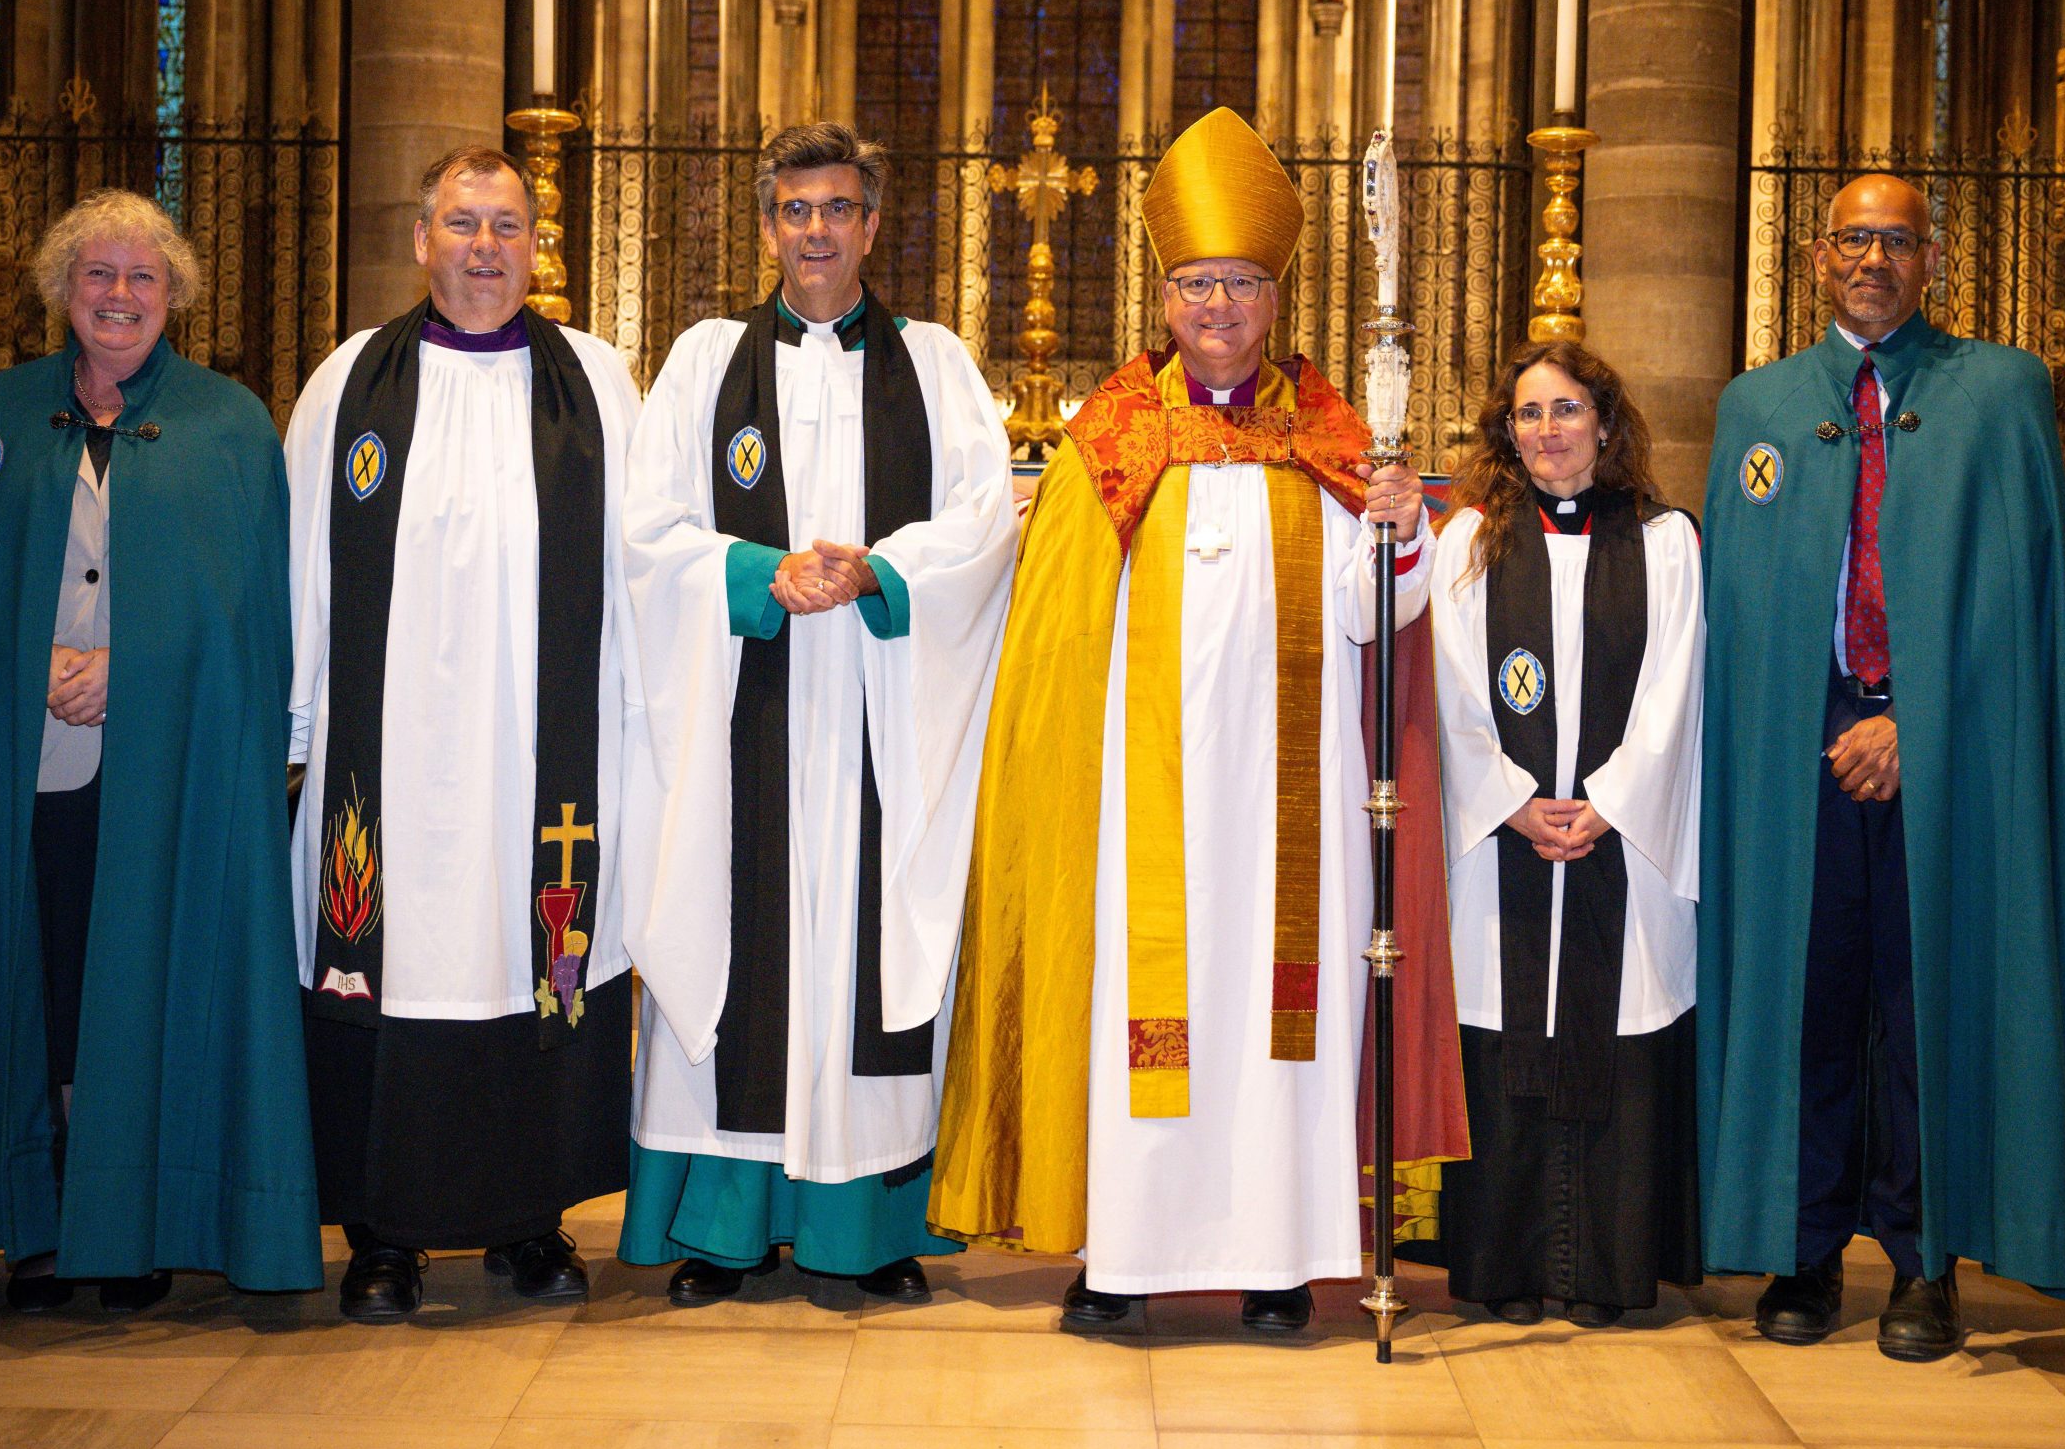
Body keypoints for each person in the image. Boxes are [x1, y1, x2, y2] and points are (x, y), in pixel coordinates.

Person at [929, 107, 1460, 1336]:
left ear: (1274, 295)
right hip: (1138, 800)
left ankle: (1282, 1258)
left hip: (1293, 799)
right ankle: (1126, 1253)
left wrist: (1396, 526)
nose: (1215, 305)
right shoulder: (1105, 439)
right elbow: (1058, 636)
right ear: (1161, 295)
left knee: (1286, 1014)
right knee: (1142, 1002)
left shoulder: (1331, 439)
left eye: (1237, 283)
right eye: (1192, 283)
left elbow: (1376, 617)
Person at [0, 190, 321, 1310]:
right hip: (28, 766)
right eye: (97, 277)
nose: (119, 297)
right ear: (61, 293)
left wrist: (136, 665)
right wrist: (29, 661)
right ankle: (45, 1217)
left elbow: (252, 616)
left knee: (151, 973)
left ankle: (135, 1222)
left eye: (141, 278)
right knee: (50, 977)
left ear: (173, 295)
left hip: (164, 767)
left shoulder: (227, 426)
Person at [618, 122, 1017, 1305]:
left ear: (873, 225)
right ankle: (722, 1231)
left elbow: (983, 525)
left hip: (879, 709)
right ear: (768, 225)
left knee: (865, 957)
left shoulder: (935, 365)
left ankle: (866, 1233)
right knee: (739, 945)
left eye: (838, 209)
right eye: (796, 211)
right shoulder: (703, 362)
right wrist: (757, 575)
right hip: (746, 697)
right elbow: (648, 530)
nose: (816, 232)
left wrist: (878, 574)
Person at [1700, 174, 2065, 1361]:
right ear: (1817, 258)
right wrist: (1808, 724)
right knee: (1807, 997)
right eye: (1854, 237)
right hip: (1797, 756)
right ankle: (1804, 1249)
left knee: (1925, 1002)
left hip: (1946, 759)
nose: (1873, 257)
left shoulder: (1999, 392)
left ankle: (1925, 1262)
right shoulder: (1756, 406)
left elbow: (2021, 606)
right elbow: (1734, 609)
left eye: (1897, 241)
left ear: (1932, 260)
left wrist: (1917, 720)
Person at [285, 146, 643, 1321]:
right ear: (420, 238)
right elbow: (298, 573)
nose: (485, 248)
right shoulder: (349, 383)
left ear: (539, 246)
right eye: (462, 224)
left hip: (547, 755)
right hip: (385, 757)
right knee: (391, 968)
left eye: (507, 226)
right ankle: (383, 1237)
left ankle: (529, 1223)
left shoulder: (595, 380)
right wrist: (294, 731)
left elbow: (643, 571)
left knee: (529, 959)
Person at [1405, 341, 1703, 1328]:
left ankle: (1603, 1273)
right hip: (1509, 849)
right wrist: (1511, 800)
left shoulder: (1664, 544)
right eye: (1529, 415)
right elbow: (1448, 689)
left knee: (1614, 1028)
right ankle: (1501, 1267)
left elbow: (1675, 690)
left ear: (1605, 426)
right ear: (1507, 433)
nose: (1548, 432)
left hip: (1621, 846)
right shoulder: (1468, 544)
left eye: (1567, 411)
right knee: (1506, 1029)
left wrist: (1611, 801)